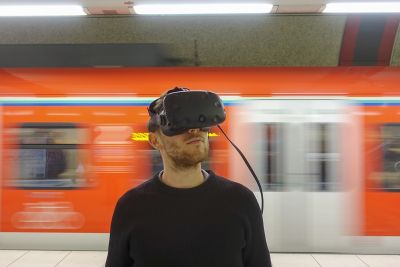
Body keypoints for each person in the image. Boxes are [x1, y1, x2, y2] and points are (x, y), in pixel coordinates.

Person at [105, 88, 272, 267]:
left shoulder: (241, 201)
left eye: (200, 121)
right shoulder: (130, 206)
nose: (194, 130)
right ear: (155, 141)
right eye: (179, 123)